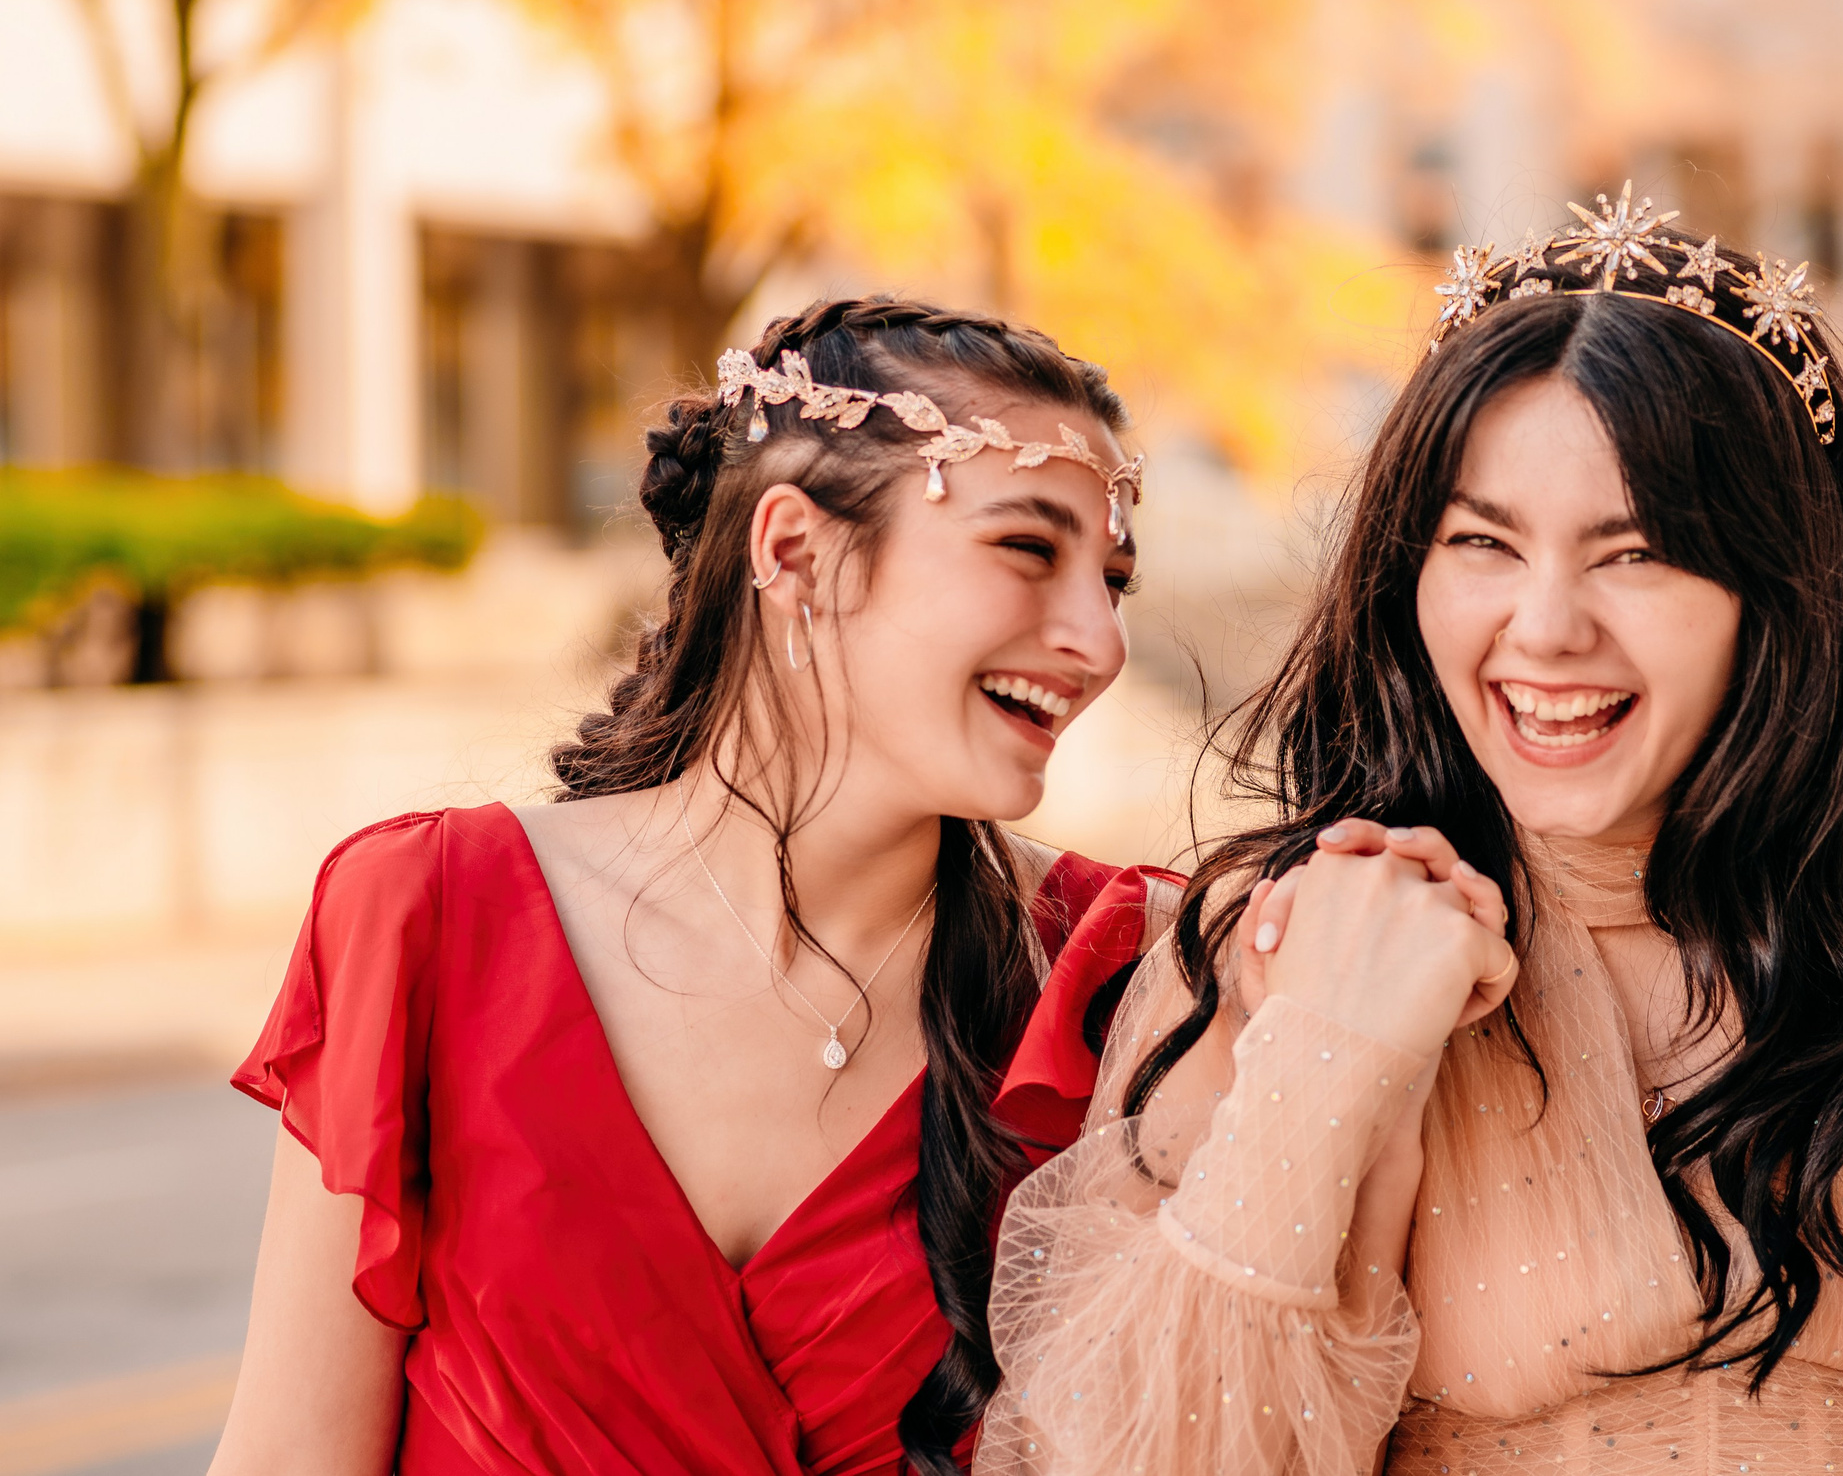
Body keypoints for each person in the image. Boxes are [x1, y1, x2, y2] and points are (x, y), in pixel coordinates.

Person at [983, 191, 1843, 1474]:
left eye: (1636, 553)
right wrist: (1333, 1047)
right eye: (1483, 541)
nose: (1546, 628)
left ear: (1782, 586)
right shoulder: (1281, 927)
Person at [210, 296, 1179, 1476]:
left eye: (1114, 579)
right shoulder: (426, 913)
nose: (1098, 638)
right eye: (1031, 549)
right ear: (793, 551)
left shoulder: (1127, 972)